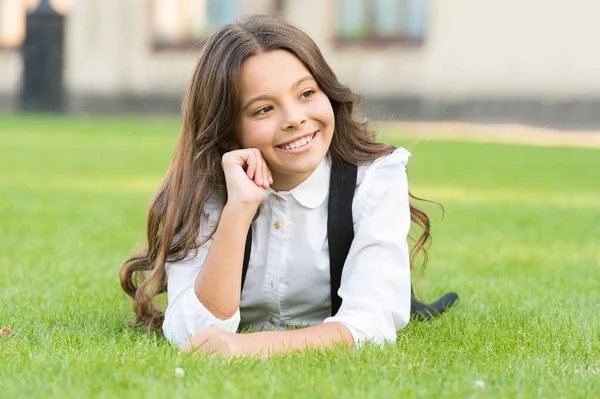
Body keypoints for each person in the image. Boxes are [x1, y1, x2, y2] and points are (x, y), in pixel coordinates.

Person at [119, 14, 455, 358]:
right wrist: (238, 209)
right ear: (227, 129)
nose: (294, 118)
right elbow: (189, 331)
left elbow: (371, 324)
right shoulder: (202, 189)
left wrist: (245, 346)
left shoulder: (375, 178)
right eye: (264, 109)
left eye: (307, 93)